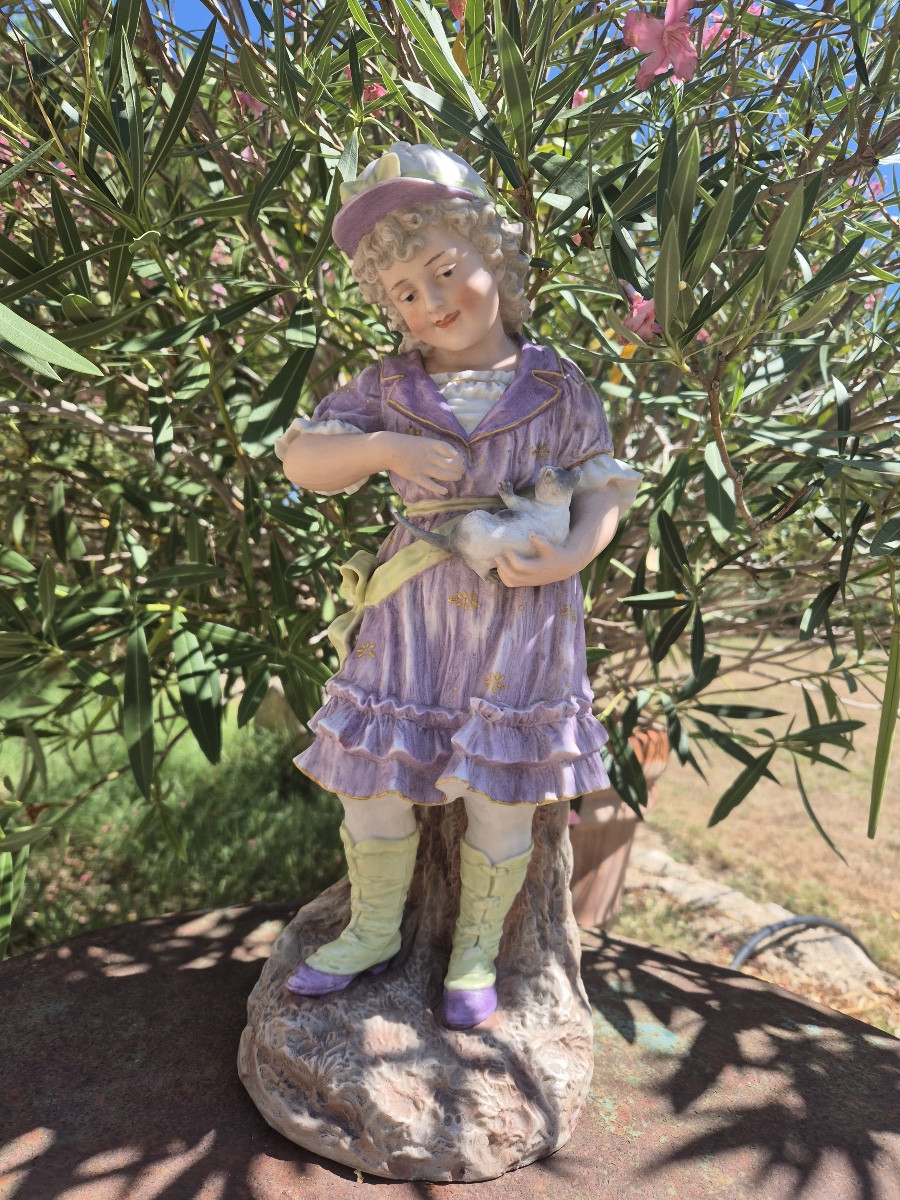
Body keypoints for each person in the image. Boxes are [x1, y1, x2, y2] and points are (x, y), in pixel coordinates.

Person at [275, 142, 641, 1029]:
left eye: (446, 271)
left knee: (501, 795)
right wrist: (381, 450)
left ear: (495, 257)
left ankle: (474, 951)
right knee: (372, 783)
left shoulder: (557, 384)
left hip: (522, 623)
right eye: (405, 290)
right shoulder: (388, 387)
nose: (432, 302)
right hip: (411, 619)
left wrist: (570, 556)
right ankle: (371, 928)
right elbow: (303, 458)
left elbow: (605, 489)